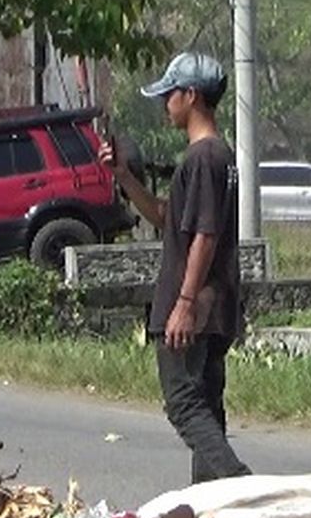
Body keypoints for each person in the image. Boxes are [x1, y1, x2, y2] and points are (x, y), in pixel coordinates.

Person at [99, 51, 252, 484]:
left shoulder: (205, 158)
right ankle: (212, 514)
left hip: (196, 305)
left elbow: (205, 234)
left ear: (191, 96)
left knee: (183, 403)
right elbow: (170, 218)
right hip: (213, 305)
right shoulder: (213, 158)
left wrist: (184, 303)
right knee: (206, 407)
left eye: (170, 95)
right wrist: (125, 178)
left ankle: (240, 485)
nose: (165, 104)